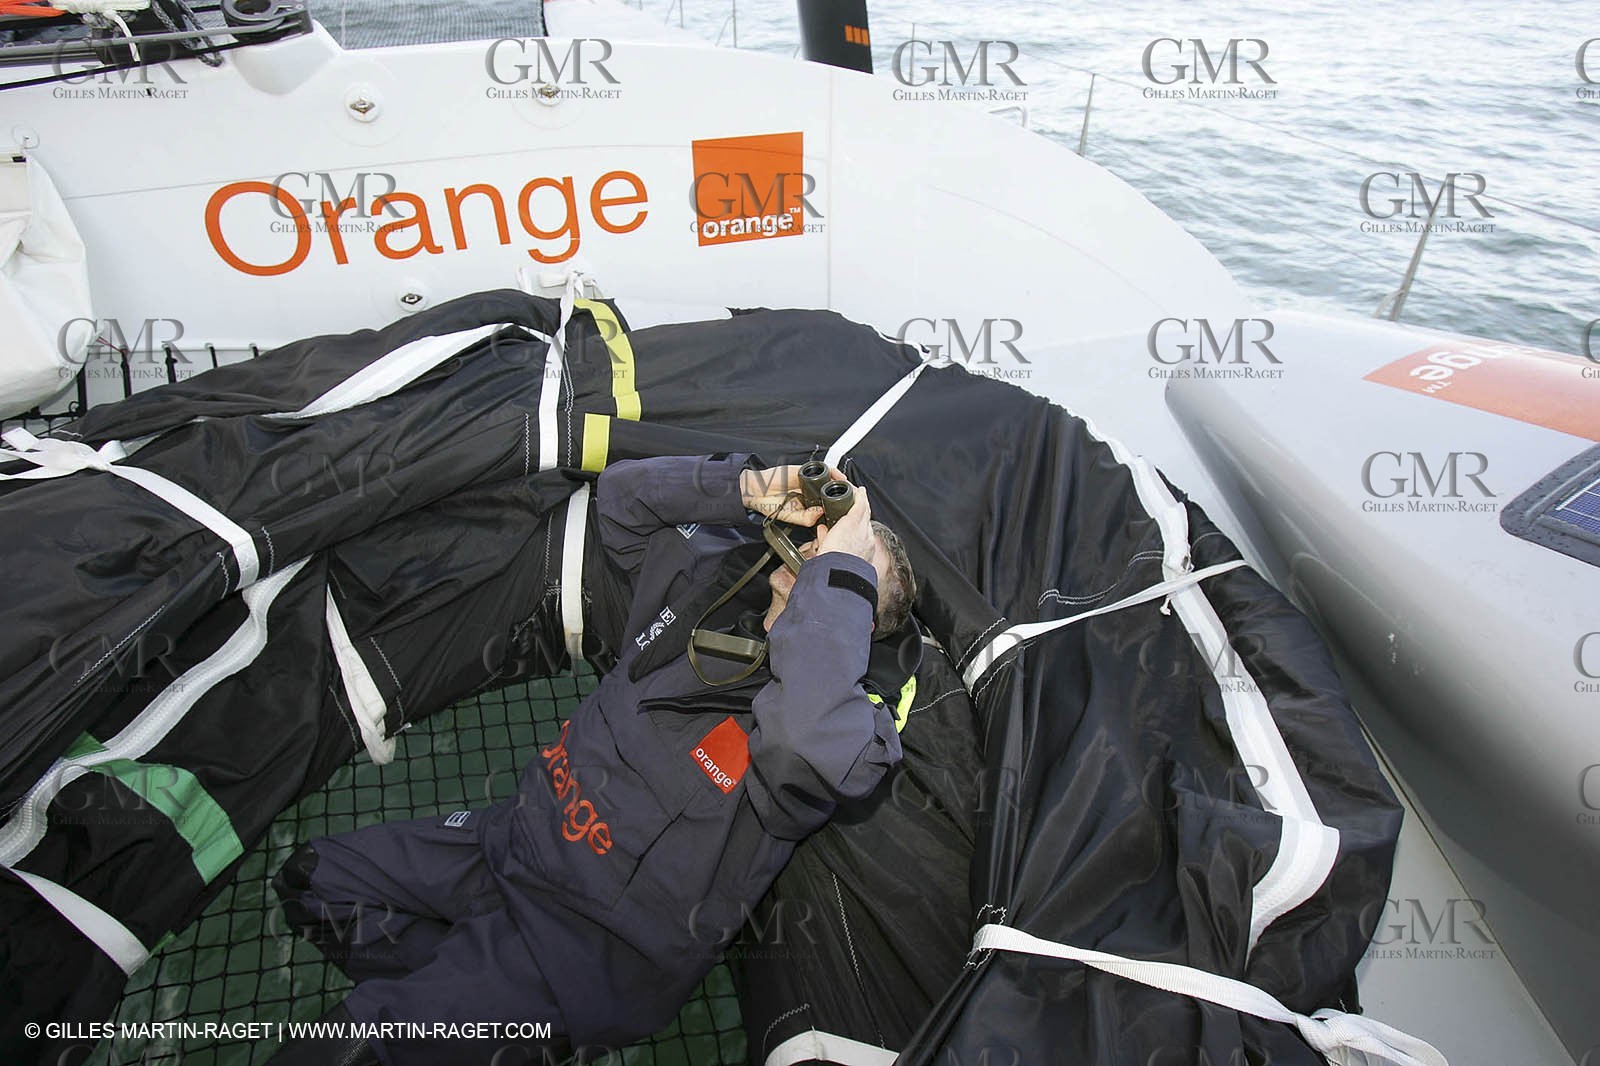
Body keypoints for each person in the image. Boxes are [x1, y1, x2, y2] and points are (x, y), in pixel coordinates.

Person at [268, 453, 921, 1066]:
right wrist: (751, 487)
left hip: (580, 947)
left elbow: (802, 739)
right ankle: (481, 1006)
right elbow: (622, 502)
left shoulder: (849, 735)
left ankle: (494, 1009)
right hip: (509, 845)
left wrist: (840, 577)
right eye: (821, 548)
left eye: (847, 568)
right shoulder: (711, 600)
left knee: (350, 1048)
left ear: (855, 616)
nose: (817, 557)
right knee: (314, 881)